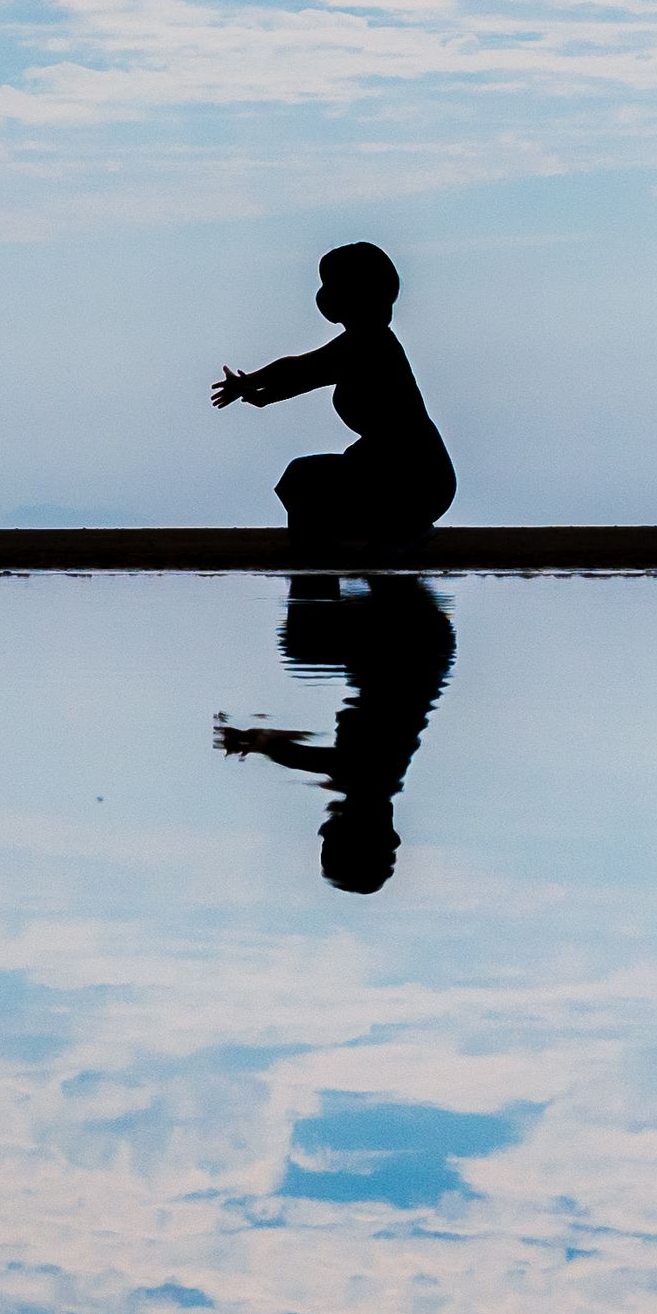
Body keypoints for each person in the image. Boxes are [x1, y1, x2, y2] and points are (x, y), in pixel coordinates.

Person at [208, 241, 454, 552]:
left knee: (303, 480)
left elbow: (300, 369)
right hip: (396, 468)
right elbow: (307, 375)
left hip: (414, 476)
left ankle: (339, 559)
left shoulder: (369, 344)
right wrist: (260, 394)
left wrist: (252, 384)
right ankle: (373, 542)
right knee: (310, 479)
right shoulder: (363, 342)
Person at [217, 575, 453, 894]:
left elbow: (329, 763)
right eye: (330, 839)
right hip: (408, 643)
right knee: (302, 643)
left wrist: (265, 743)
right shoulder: (373, 779)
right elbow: (321, 760)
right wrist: (264, 743)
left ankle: (337, 565)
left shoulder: (375, 780)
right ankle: (320, 563)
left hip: (417, 647)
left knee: (306, 647)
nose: (321, 831)